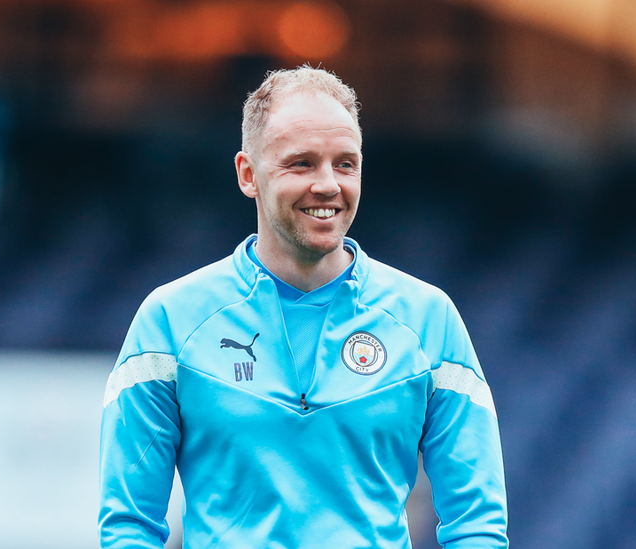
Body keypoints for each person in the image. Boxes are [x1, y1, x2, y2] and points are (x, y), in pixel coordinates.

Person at [99, 66, 508, 548]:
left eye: (345, 164)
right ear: (248, 175)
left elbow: (477, 524)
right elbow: (129, 526)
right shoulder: (169, 320)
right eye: (302, 163)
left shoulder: (428, 319)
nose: (328, 184)